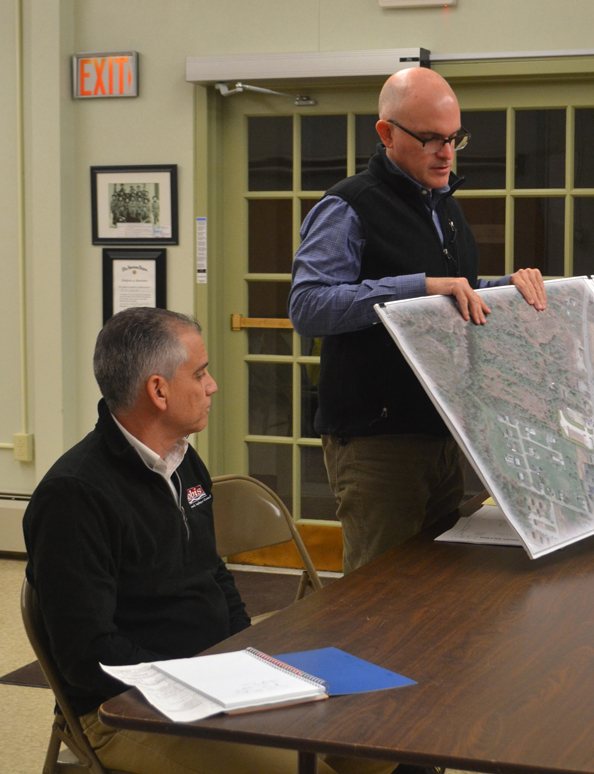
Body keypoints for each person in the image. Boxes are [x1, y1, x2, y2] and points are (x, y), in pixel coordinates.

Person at [23, 307, 393, 774]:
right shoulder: (74, 497)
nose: (212, 385)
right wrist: (201, 681)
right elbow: (87, 655)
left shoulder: (183, 463)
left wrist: (246, 657)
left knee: (386, 735)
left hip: (217, 681)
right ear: (158, 391)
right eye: (200, 373)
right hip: (126, 710)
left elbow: (213, 571)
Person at [288, 68, 547, 573]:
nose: (446, 153)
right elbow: (308, 307)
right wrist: (416, 286)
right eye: (430, 139)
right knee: (380, 597)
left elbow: (454, 297)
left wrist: (506, 289)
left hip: (443, 433)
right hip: (377, 444)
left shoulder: (446, 210)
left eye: (454, 139)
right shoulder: (348, 206)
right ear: (386, 134)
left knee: (435, 588)